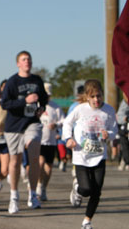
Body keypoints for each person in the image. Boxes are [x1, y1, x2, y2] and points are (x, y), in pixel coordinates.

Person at [62, 79, 117, 229]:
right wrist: (68, 138)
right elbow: (67, 123)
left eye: (98, 96)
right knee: (86, 189)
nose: (96, 100)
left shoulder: (109, 110)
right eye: (92, 96)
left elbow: (114, 129)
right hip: (81, 156)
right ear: (87, 96)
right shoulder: (80, 109)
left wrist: (109, 135)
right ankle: (77, 189)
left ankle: (87, 220)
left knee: (97, 191)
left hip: (99, 157)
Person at [1, 50, 48, 214]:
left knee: (34, 153)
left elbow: (44, 99)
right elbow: (5, 104)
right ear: (18, 63)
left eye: (29, 59)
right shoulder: (12, 82)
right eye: (23, 59)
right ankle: (14, 196)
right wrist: (24, 101)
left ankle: (33, 194)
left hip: (32, 123)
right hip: (14, 126)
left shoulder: (37, 80)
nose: (27, 61)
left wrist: (41, 108)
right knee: (15, 161)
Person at [37, 83, 65, 201]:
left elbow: (63, 121)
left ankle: (43, 188)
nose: (47, 97)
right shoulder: (36, 105)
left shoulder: (55, 107)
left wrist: (56, 125)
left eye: (48, 95)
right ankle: (38, 185)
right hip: (38, 140)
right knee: (40, 162)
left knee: (49, 167)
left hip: (51, 141)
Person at [116, 95, 129, 171]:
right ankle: (126, 161)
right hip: (124, 126)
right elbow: (121, 116)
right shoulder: (125, 103)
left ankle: (124, 161)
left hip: (124, 124)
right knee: (124, 145)